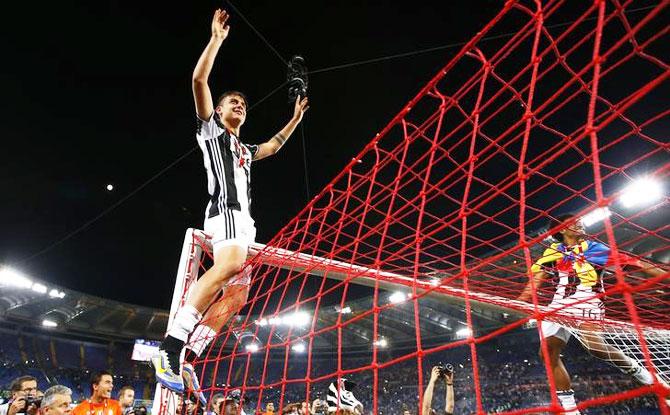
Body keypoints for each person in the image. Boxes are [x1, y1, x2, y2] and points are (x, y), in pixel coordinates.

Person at [152, 8, 309, 402]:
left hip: (246, 223)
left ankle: (190, 354)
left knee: (237, 296)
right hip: (226, 214)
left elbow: (272, 146)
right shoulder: (212, 133)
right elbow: (198, 80)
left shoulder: (242, 148)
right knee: (229, 268)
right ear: (218, 112)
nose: (239, 104)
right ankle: (169, 347)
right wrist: (217, 40)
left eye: (242, 103)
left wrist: (294, 117)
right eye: (232, 102)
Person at [518, 213, 668, 414]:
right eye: (572, 222)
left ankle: (647, 377)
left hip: (588, 300)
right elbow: (538, 278)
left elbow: (638, 265)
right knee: (547, 352)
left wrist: (664, 277)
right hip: (557, 304)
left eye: (579, 220)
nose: (579, 223)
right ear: (561, 230)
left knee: (594, 346)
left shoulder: (596, 249)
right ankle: (571, 410)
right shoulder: (554, 252)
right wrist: (521, 301)